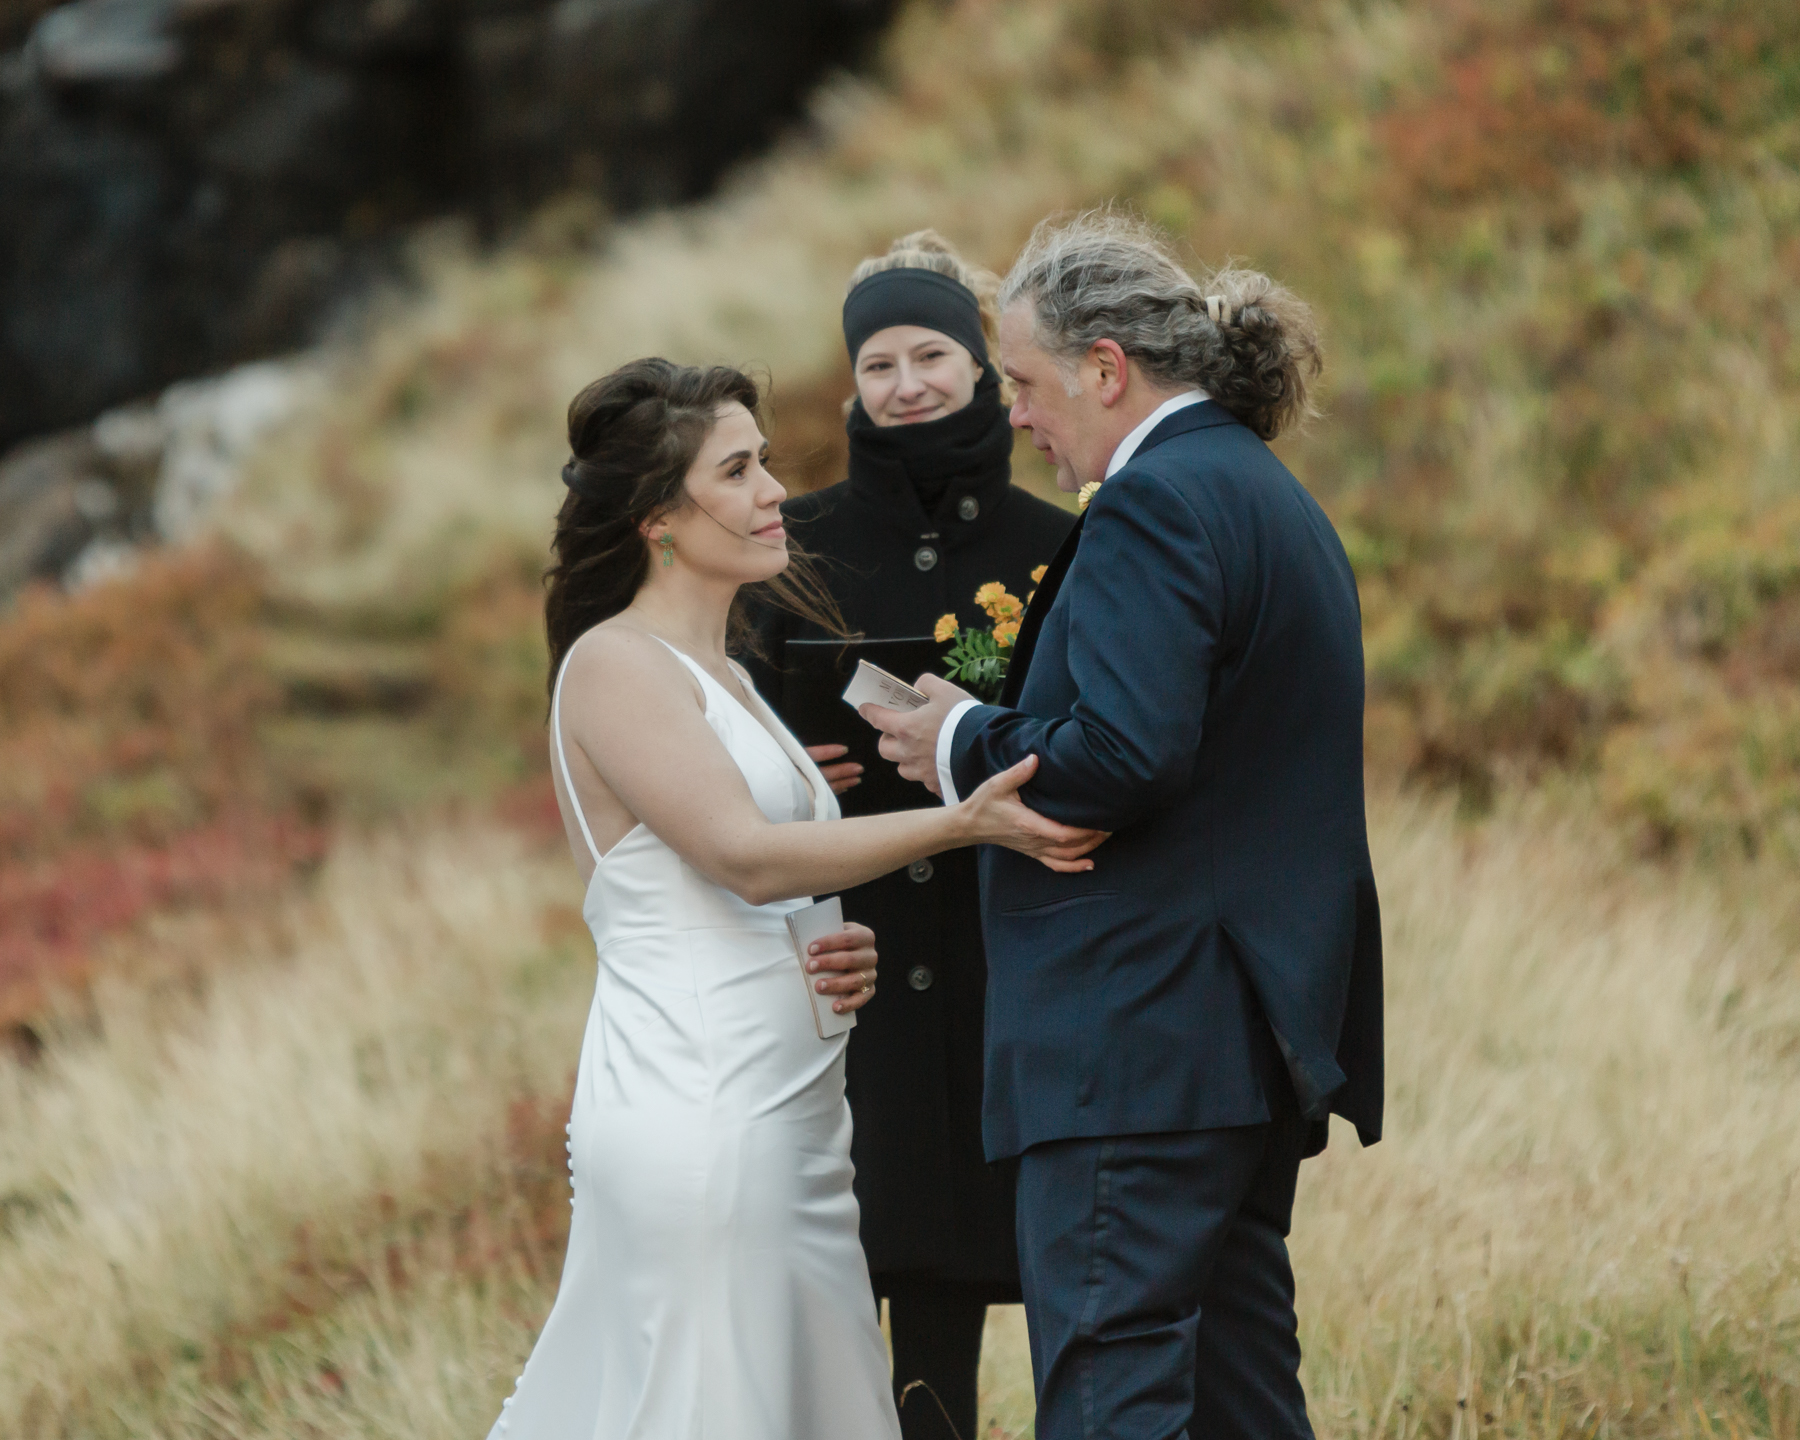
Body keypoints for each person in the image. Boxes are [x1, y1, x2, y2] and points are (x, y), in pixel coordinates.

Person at [485, 357, 1103, 1440]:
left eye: (763, 462)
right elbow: (745, 857)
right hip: (702, 1111)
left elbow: (753, 887)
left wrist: (825, 952)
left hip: (793, 1117)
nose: (775, 490)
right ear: (658, 520)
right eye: (738, 470)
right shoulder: (617, 665)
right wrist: (969, 820)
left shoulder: (724, 671)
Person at [864, 212, 1385, 1440]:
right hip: (1240, 1043)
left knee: (1114, 1399)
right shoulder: (1266, 494)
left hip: (1137, 1046)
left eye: (1028, 383)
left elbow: (1125, 753)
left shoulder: (1153, 504)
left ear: (1107, 368)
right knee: (1241, 1403)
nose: (1019, 416)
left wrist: (952, 739)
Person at [745, 231, 1075, 1440]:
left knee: (1060, 1289)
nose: (907, 382)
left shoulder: (1058, 544)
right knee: (873, 1283)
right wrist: (797, 771)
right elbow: (729, 734)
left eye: (931, 351)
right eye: (878, 362)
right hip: (851, 970)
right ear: (852, 387)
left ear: (986, 368)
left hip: (1015, 959)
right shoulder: (792, 549)